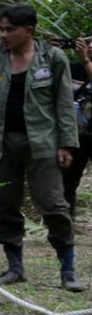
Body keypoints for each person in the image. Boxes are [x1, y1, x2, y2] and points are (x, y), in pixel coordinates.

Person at [0, 5, 83, 291]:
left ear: (28, 31)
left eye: (10, 30)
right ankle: (15, 267)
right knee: (5, 204)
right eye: (1, 29)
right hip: (2, 144)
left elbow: (64, 104)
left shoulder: (52, 59)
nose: (3, 35)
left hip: (42, 144)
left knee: (53, 205)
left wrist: (66, 144)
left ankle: (68, 270)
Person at [60, 33, 92, 212]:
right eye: (88, 42)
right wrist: (52, 54)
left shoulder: (85, 63)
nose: (91, 45)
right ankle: (66, 223)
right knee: (67, 183)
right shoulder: (71, 68)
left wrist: (86, 60)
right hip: (76, 136)